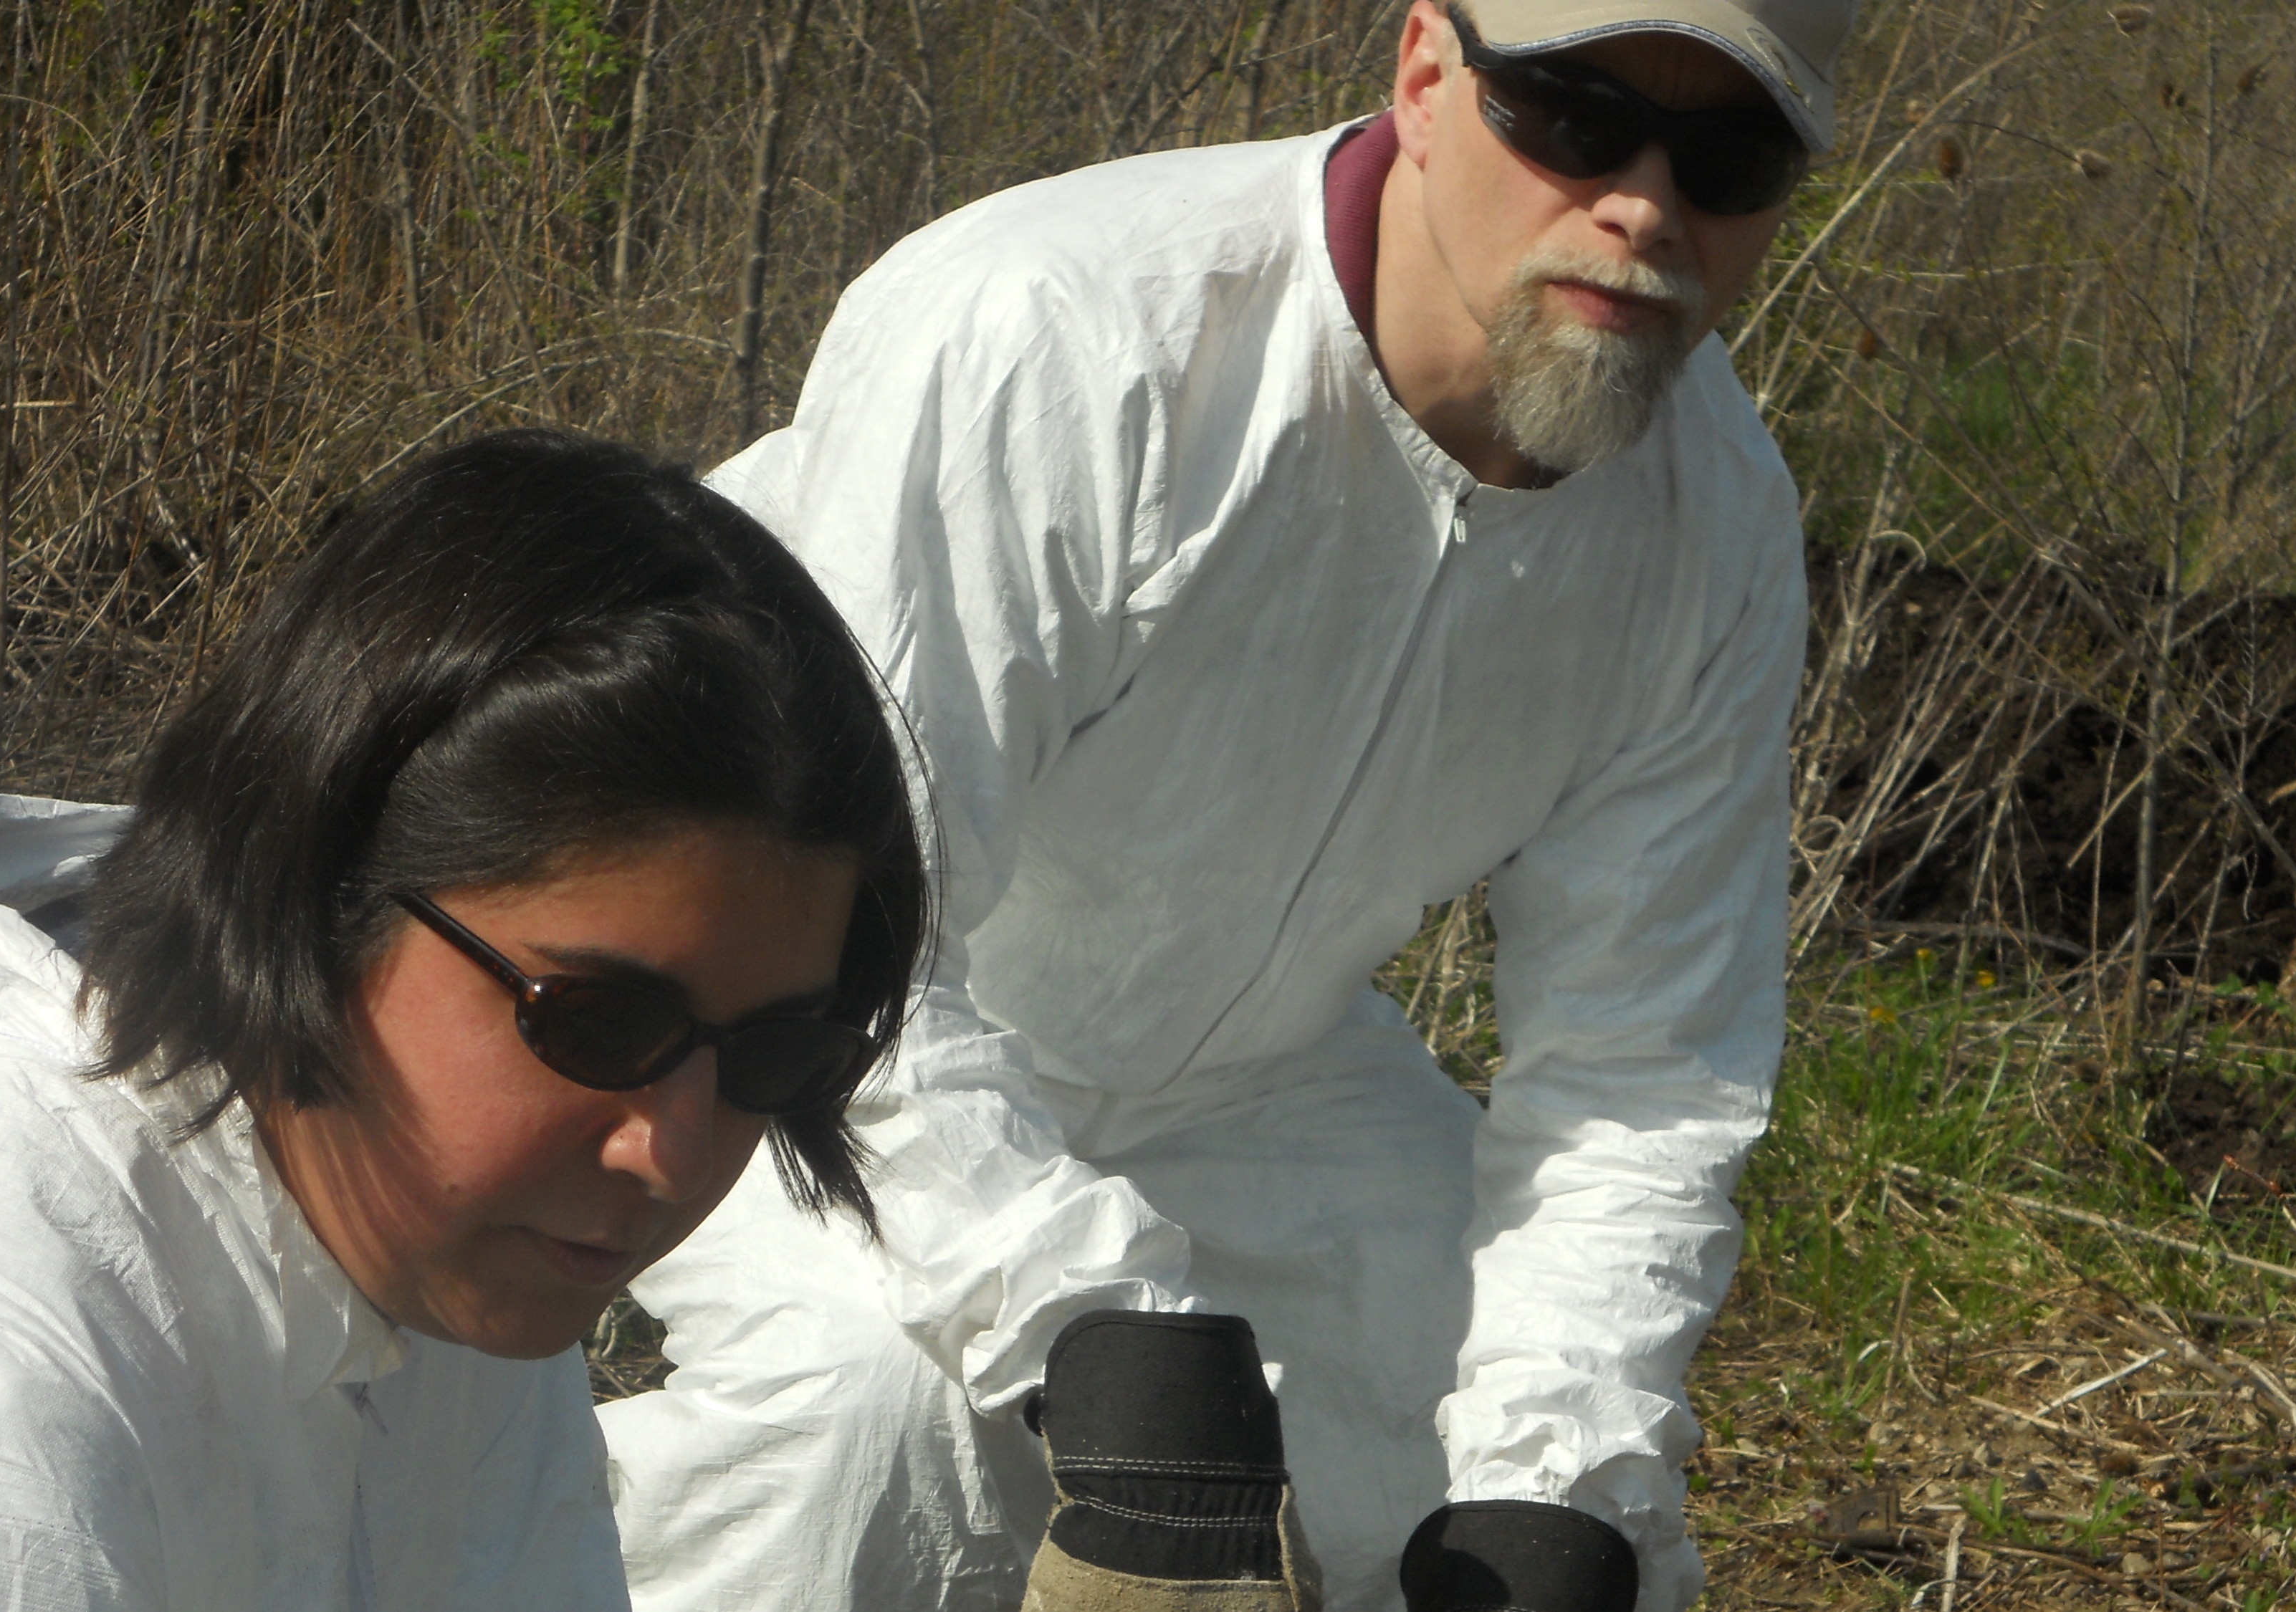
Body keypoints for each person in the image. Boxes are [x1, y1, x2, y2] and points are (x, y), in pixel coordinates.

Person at [599, 0, 1852, 1606]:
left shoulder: (1714, 528)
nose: (1642, 208)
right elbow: (843, 932)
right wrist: (1098, 1336)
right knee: (879, 1432)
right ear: (1424, 75)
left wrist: (1559, 1485)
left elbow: (1639, 1072)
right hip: (778, 1031)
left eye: (1731, 157)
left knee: (1550, 1513)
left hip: (1254, 1077)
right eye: (1570, 115)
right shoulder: (1063, 335)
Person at [0, 429, 926, 1609]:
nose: (668, 1150)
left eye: (775, 1052)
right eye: (600, 1022)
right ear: (314, 889)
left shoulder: (438, 1219)